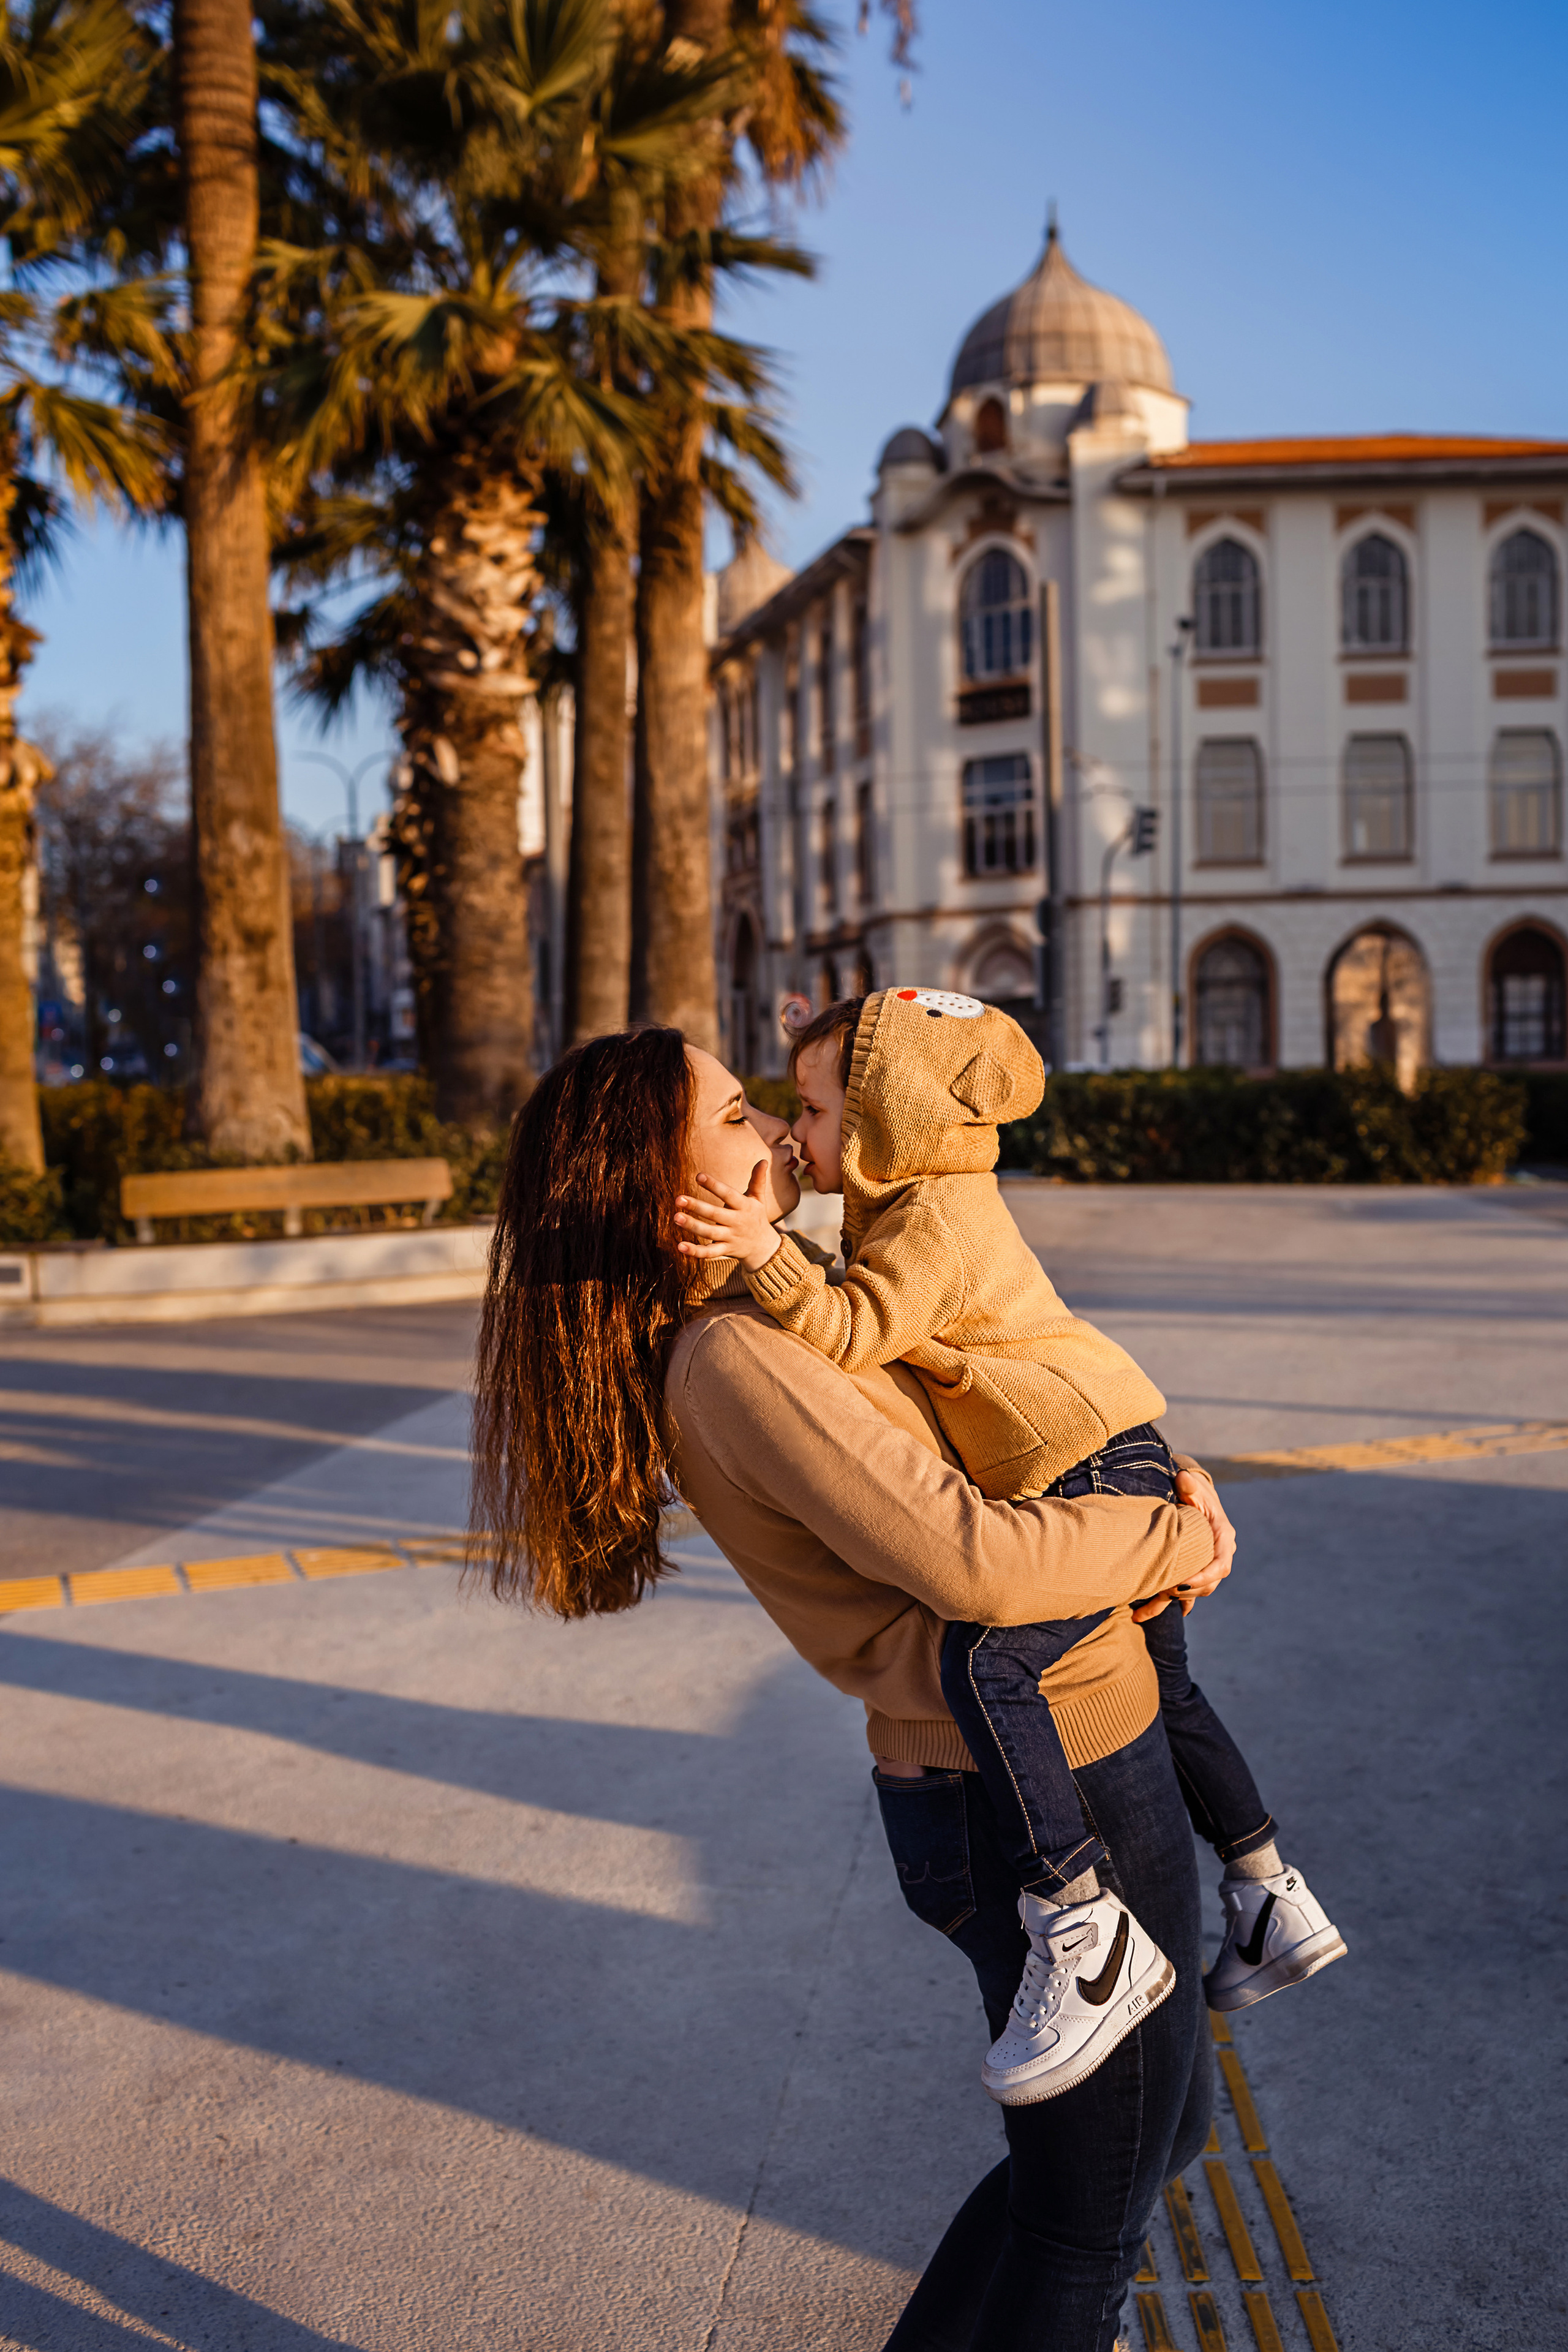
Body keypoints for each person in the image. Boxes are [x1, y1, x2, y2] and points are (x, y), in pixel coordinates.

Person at [472, 1024, 1238, 2352]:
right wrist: (1179, 1533)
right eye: (733, 1117)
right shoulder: (733, 1362)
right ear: (661, 1196)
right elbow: (974, 1560)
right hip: (1042, 1781)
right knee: (1087, 2218)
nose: (777, 1132)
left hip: (1042, 1753)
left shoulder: (774, 1310)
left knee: (1140, 2149)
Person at [673, 988, 1343, 2106]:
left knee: (991, 1660)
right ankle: (1269, 1890)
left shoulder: (927, 1216)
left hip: (1085, 1461)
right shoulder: (779, 1314)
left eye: (810, 1107)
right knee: (1172, 1687)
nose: (795, 1132)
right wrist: (1171, 1529)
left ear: (889, 1120)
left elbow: (857, 1337)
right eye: (758, 1111)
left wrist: (764, 1250)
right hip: (1091, 1461)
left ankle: (1080, 1916)